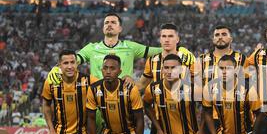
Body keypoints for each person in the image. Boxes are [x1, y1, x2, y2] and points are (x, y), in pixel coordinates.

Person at [47, 13, 194, 85]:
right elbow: (73, 61)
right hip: (97, 100)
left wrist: (181, 50)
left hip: (123, 100)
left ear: (120, 28)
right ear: (103, 27)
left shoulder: (130, 47)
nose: (109, 24)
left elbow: (161, 51)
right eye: (106, 22)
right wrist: (57, 68)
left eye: (113, 22)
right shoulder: (91, 48)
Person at [41, 50, 96, 134]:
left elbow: (106, 84)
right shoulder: (51, 82)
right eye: (66, 63)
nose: (70, 66)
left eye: (72, 62)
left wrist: (127, 79)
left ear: (77, 64)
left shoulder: (88, 80)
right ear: (59, 65)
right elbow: (46, 105)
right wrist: (51, 131)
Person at [196, 25, 247, 134]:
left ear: (231, 38)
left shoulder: (242, 59)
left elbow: (247, 87)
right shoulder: (201, 60)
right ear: (213, 38)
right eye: (217, 35)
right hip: (210, 118)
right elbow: (198, 94)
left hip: (235, 116)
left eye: (224, 34)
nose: (220, 37)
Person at [86, 55, 144, 134]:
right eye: (105, 68)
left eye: (112, 68)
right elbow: (91, 118)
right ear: (102, 70)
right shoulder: (93, 89)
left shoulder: (130, 89)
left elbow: (139, 118)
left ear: (119, 71)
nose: (108, 72)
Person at [202, 55, 262, 134]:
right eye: (221, 68)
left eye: (228, 68)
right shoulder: (209, 88)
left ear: (236, 69)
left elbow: (259, 113)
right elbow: (207, 112)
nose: (224, 72)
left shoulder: (248, 88)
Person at [143, 54, 199, 134]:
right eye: (166, 68)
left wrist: (201, 129)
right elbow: (146, 105)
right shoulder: (153, 88)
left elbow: (207, 108)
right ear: (162, 70)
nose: (169, 72)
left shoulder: (192, 89)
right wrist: (158, 128)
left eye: (173, 68)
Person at [137, 23, 196, 90]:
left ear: (177, 39)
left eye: (170, 36)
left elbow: (198, 84)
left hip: (182, 99)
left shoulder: (188, 59)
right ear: (160, 39)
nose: (167, 40)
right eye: (164, 36)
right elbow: (141, 85)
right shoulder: (151, 61)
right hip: (160, 100)